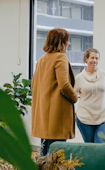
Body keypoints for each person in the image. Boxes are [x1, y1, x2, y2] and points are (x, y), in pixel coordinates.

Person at [31, 27, 78, 156]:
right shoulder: (60, 58)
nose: (68, 43)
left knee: (44, 154)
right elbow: (64, 85)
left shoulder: (41, 60)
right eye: (67, 41)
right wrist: (75, 97)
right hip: (57, 115)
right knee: (57, 155)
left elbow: (33, 85)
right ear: (61, 42)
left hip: (43, 115)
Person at [74, 48, 105, 143]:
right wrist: (75, 113)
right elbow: (72, 97)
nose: (94, 61)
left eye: (97, 58)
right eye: (92, 58)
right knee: (90, 148)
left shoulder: (104, 75)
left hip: (103, 118)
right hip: (85, 119)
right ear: (86, 59)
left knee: (99, 148)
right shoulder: (79, 78)